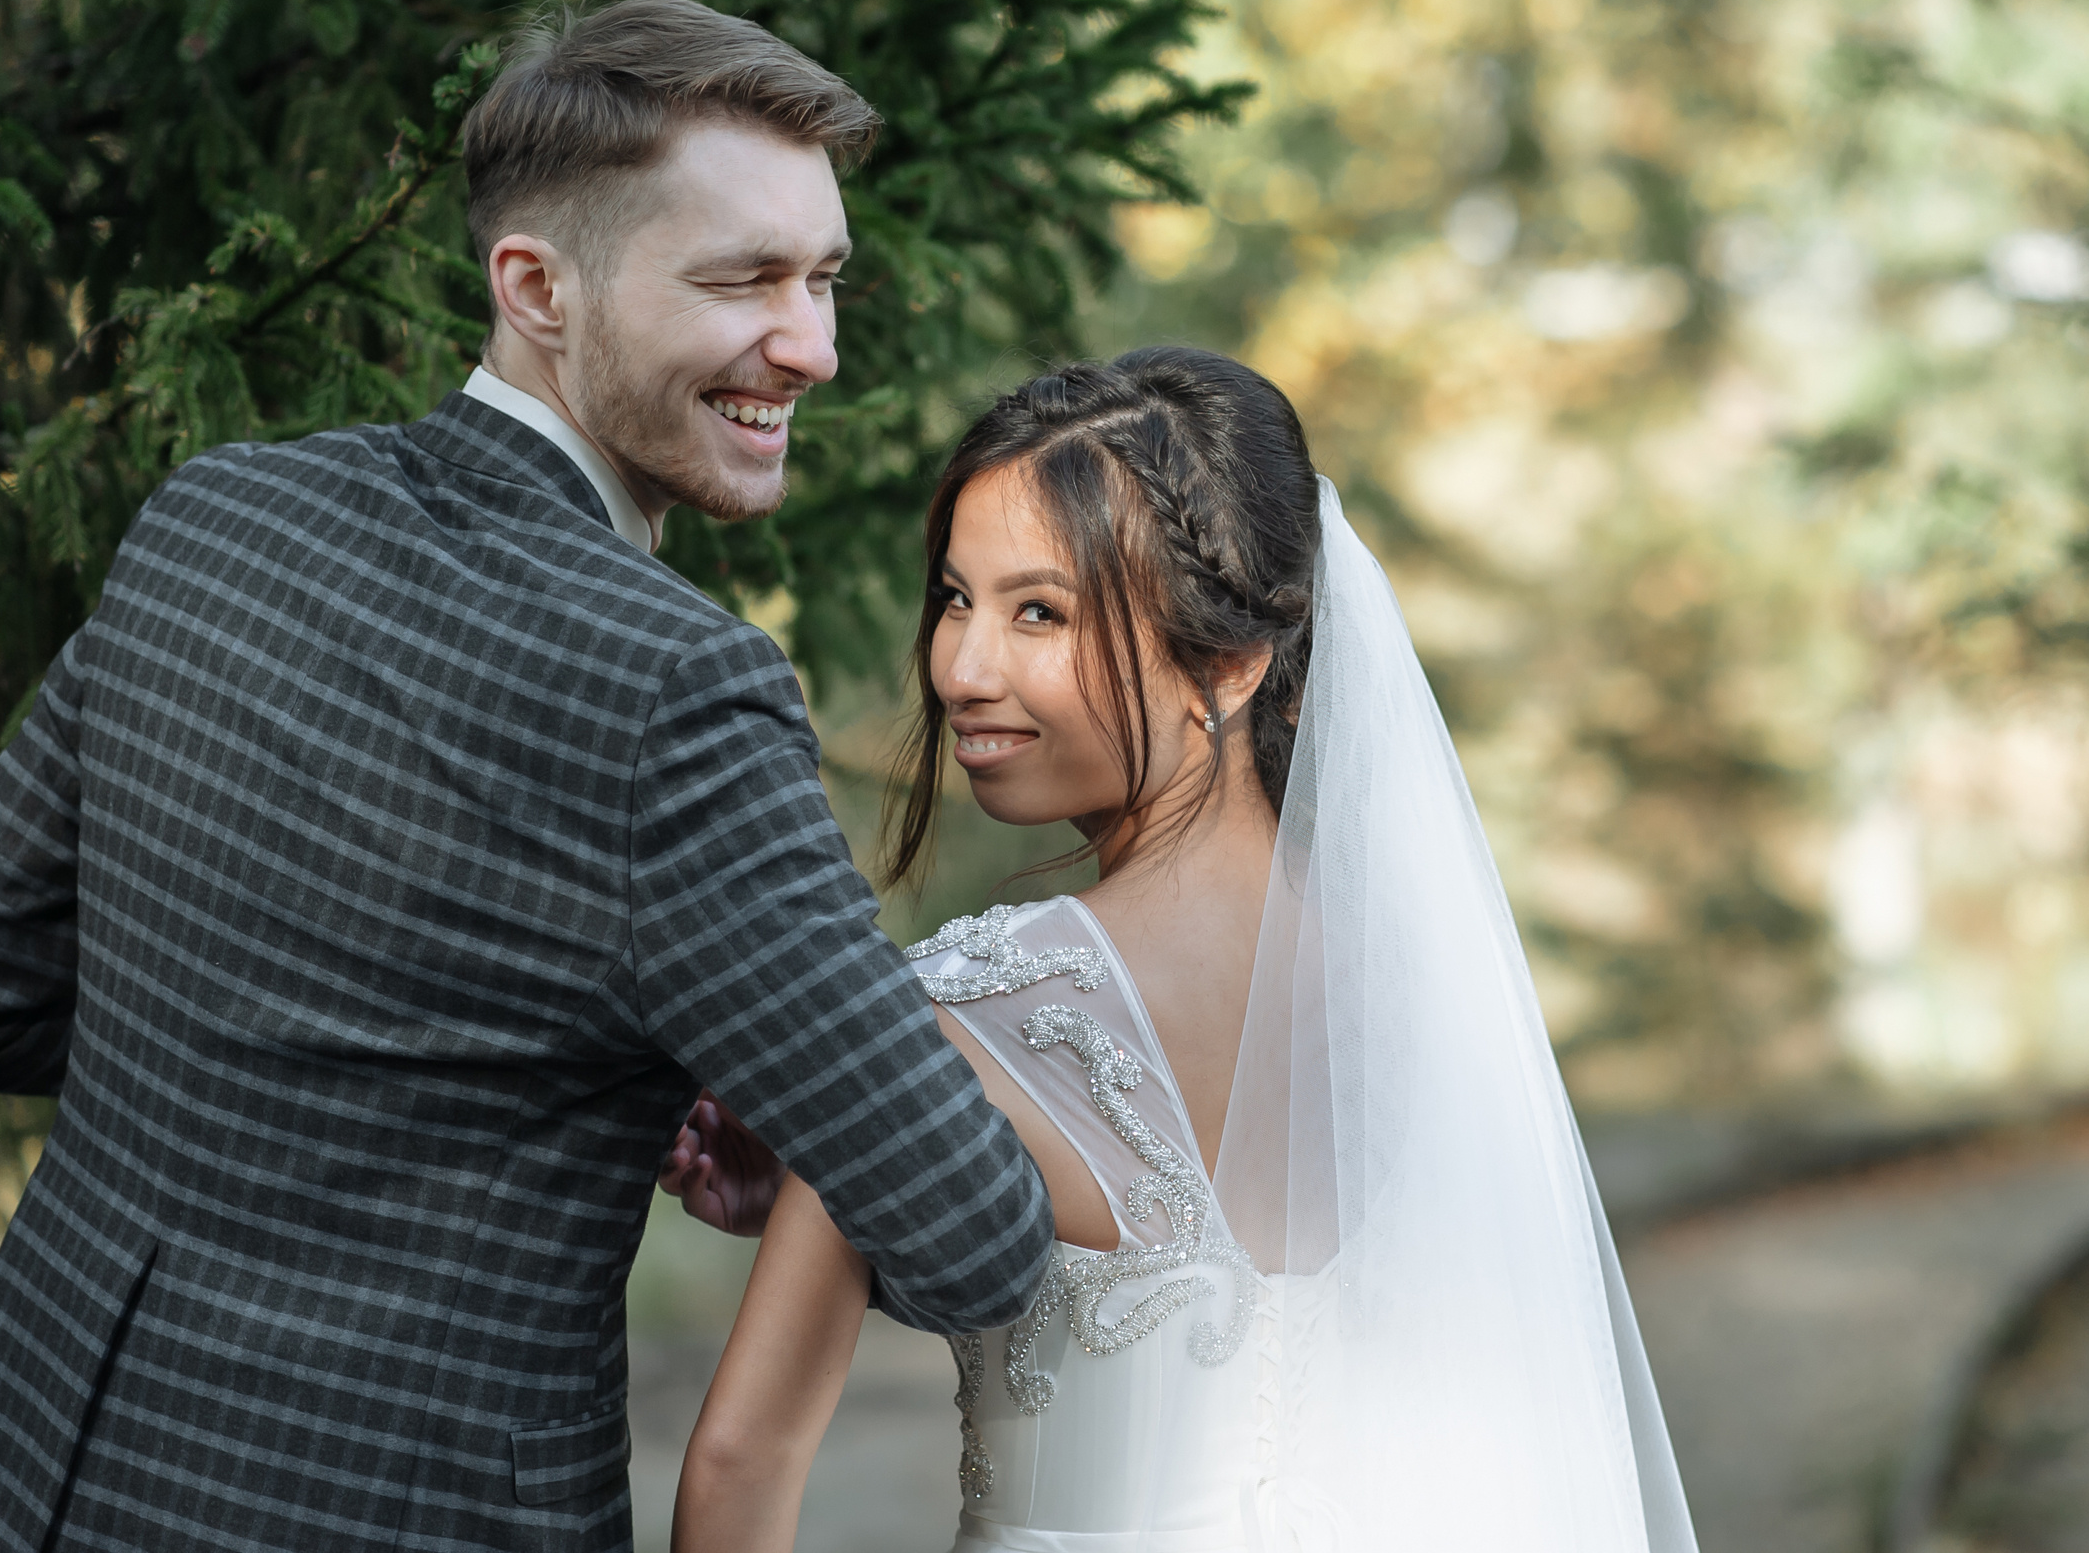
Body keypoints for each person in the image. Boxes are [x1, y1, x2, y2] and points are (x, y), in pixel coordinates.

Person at [0, 0, 1052, 1553]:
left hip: (35, 1485)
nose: (812, 348)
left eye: (824, 278)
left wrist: (333, 1061)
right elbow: (970, 1238)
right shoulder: (676, 695)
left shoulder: (218, 519)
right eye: (742, 280)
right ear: (536, 286)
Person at [668, 347, 1701, 1552]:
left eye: (1037, 611)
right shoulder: (1443, 1009)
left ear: (1230, 661)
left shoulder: (945, 1015)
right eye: (956, 597)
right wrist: (842, 1187)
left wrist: (842, 1148)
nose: (961, 668)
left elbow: (743, 1465)